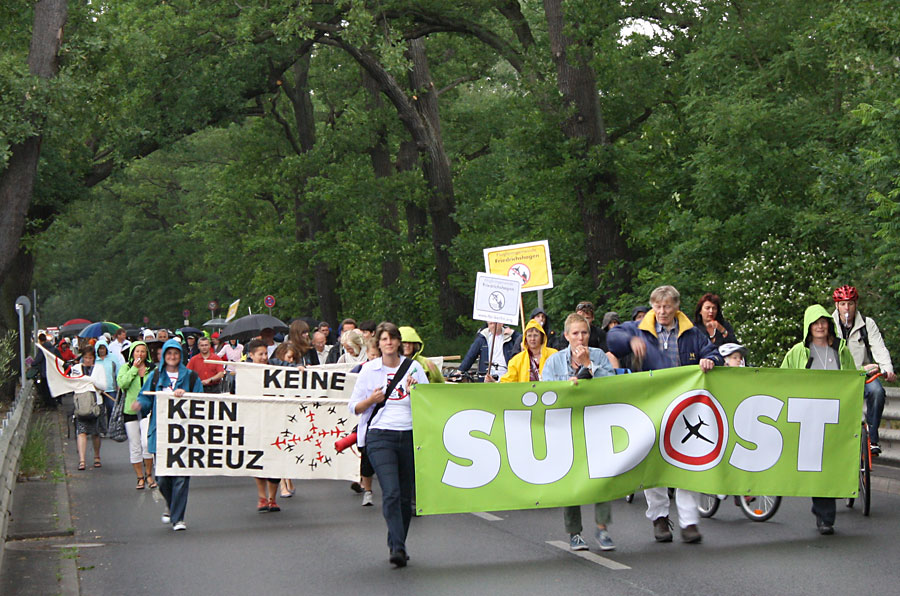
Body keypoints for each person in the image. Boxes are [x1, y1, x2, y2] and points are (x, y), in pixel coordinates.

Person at [607, 285, 721, 544]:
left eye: (667, 306)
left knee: (687, 460)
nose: (662, 312)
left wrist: (710, 360)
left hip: (685, 406)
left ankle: (689, 521)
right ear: (651, 306)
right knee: (653, 462)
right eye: (657, 306)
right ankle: (659, 517)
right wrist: (630, 341)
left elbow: (712, 352)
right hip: (650, 405)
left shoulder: (692, 332)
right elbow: (612, 338)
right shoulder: (639, 328)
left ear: (676, 307)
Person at [349, 322, 430, 567]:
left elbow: (430, 404)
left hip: (409, 435)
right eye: (384, 339)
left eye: (393, 338)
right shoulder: (369, 370)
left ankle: (397, 540)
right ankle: (397, 547)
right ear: (379, 343)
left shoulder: (413, 368)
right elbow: (354, 407)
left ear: (399, 342)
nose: (389, 343)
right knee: (392, 492)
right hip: (379, 436)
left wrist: (417, 393)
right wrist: (371, 400)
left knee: (405, 498)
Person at [542, 313, 616, 551]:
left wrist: (588, 366)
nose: (580, 337)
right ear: (566, 336)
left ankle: (602, 528)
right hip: (567, 426)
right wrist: (566, 387)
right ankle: (574, 533)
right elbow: (547, 393)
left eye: (584, 332)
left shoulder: (599, 356)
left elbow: (613, 385)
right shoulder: (554, 362)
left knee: (602, 476)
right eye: (575, 333)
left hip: (596, 423)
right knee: (572, 479)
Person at [781, 304, 856, 535]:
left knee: (832, 465)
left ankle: (822, 509)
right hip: (809, 417)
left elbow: (852, 379)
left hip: (837, 416)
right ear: (808, 327)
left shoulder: (841, 351)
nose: (820, 326)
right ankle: (826, 517)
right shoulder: (797, 352)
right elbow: (780, 379)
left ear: (830, 325)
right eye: (815, 323)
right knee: (819, 466)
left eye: (824, 322)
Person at [132, 338, 204, 531]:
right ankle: (171, 505)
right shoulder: (156, 376)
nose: (172, 357)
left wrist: (186, 396)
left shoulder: (190, 377)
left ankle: (178, 517)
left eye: (176, 353)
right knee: (163, 478)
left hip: (184, 435)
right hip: (162, 433)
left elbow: (201, 401)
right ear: (163, 356)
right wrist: (140, 405)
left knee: (181, 477)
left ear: (180, 356)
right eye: (169, 354)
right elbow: (145, 398)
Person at [832, 285, 896, 455]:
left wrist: (887, 369)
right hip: (839, 376)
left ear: (856, 304)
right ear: (837, 305)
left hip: (864, 374)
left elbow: (879, 348)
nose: (847, 308)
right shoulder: (829, 325)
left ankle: (872, 440)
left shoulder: (867, 324)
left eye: (851, 304)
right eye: (843, 304)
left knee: (877, 392)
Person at [242, 339, 282, 512]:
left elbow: (288, 365)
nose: (264, 357)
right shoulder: (245, 371)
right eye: (260, 354)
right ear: (251, 356)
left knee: (276, 459)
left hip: (275, 420)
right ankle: (262, 497)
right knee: (257, 460)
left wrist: (298, 368)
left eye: (266, 353)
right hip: (254, 422)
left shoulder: (274, 365)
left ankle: (273, 498)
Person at [117, 341, 156, 489]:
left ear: (147, 354)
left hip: (148, 411)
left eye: (143, 351)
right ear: (132, 353)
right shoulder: (126, 368)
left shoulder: (153, 369)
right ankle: (139, 477)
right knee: (135, 445)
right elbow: (122, 384)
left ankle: (149, 474)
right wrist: (134, 369)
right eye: (137, 351)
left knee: (146, 443)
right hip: (130, 411)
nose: (140, 354)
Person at [71, 345, 107, 471]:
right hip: (81, 403)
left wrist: (90, 380)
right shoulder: (76, 369)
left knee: (95, 432)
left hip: (96, 403)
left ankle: (97, 456)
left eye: (90, 358)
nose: (87, 360)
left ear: (93, 358)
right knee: (81, 431)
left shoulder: (99, 368)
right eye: (85, 358)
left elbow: (103, 386)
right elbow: (74, 383)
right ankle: (82, 460)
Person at [94, 338, 121, 425]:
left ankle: (111, 425)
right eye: (100, 349)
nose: (102, 350)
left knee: (111, 407)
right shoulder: (94, 359)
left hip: (111, 388)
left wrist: (119, 383)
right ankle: (101, 427)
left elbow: (118, 371)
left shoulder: (113, 358)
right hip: (97, 389)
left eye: (103, 348)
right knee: (99, 409)